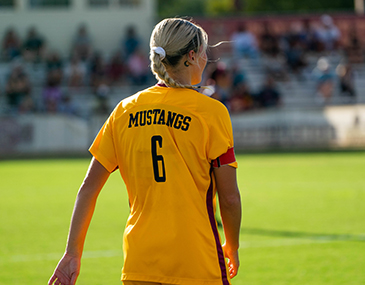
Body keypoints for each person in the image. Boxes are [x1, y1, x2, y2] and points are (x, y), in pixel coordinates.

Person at [48, 17, 242, 285]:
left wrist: (72, 253)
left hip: (139, 265)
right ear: (191, 56)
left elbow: (88, 189)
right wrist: (232, 245)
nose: (207, 57)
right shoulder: (211, 112)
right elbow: (229, 199)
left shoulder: (124, 110)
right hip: (196, 263)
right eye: (204, 51)